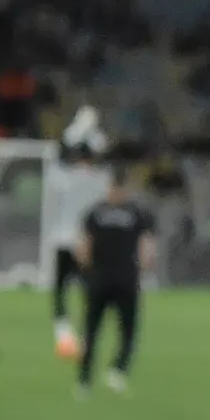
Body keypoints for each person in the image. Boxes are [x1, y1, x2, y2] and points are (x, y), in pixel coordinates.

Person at [74, 167, 153, 396]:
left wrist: (85, 270)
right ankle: (94, 375)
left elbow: (83, 247)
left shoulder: (98, 212)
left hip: (111, 278)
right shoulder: (134, 213)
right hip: (117, 278)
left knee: (110, 328)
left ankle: (103, 374)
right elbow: (146, 248)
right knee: (97, 330)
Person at [45, 110, 113, 361]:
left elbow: (54, 161)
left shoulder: (63, 178)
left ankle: (63, 337)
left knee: (60, 290)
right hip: (89, 244)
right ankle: (86, 338)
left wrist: (73, 131)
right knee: (89, 292)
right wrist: (92, 132)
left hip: (63, 240)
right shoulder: (100, 180)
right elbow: (107, 161)